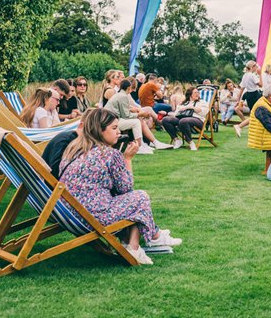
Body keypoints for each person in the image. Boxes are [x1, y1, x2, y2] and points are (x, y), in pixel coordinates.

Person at [58, 108, 181, 265]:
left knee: (123, 199)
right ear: (99, 130)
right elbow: (126, 188)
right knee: (139, 198)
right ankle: (135, 248)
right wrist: (128, 158)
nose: (119, 132)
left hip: (70, 214)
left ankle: (144, 238)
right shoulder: (109, 153)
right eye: (114, 128)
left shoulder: (73, 149)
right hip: (91, 217)